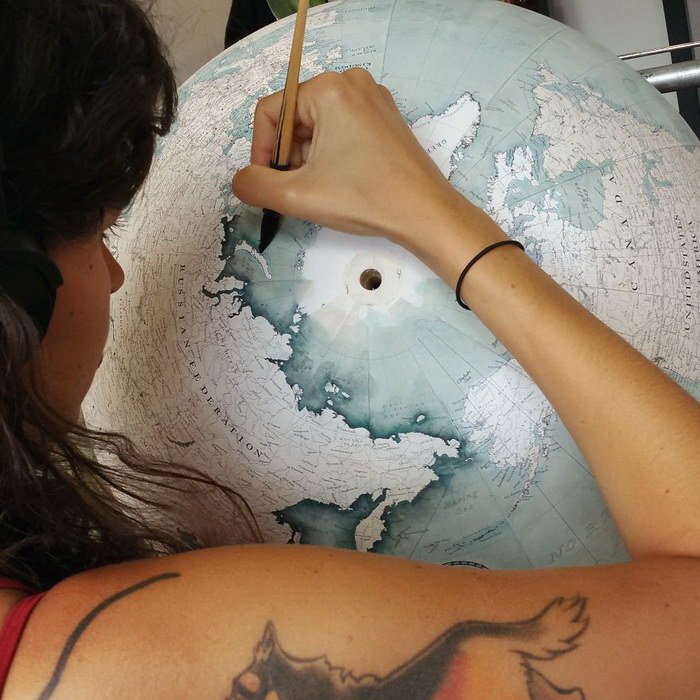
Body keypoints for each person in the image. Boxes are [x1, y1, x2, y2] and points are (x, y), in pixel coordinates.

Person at [1, 1, 698, 698]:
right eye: (101, 235)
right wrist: (436, 218)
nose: (115, 275)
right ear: (20, 298)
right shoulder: (127, 659)